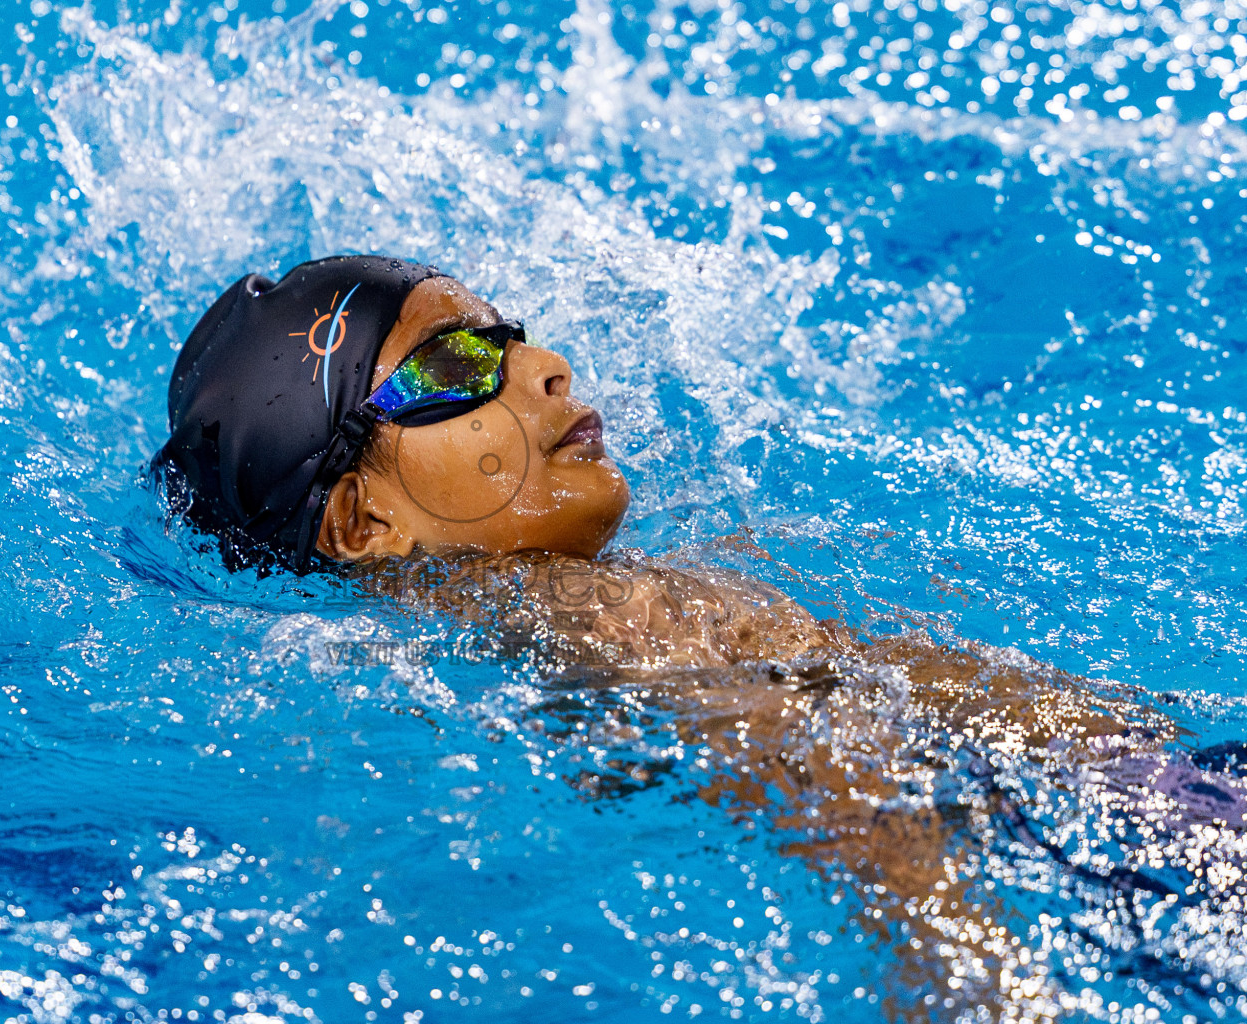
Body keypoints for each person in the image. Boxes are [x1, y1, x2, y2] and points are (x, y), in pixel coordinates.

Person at [155, 255, 1244, 1021]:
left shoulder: (521, 620)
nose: (544, 369)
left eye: (513, 338)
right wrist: (960, 962)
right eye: (454, 368)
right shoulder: (569, 611)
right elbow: (808, 757)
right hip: (1124, 853)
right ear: (361, 520)